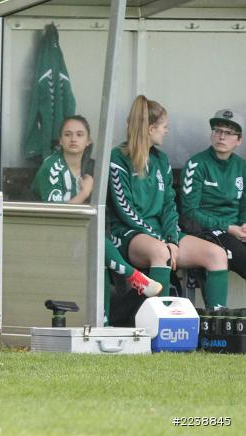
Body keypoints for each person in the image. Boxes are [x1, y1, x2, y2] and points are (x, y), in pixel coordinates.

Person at [31, 115, 162, 324]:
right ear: (60, 140)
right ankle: (132, 276)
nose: (73, 139)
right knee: (96, 243)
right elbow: (57, 213)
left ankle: (104, 322)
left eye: (79, 134)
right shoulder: (52, 166)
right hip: (48, 234)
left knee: (99, 253)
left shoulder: (92, 167)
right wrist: (84, 193)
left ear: (88, 141)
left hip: (81, 237)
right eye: (68, 134)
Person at [108, 95, 228, 310]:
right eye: (164, 126)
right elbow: (124, 209)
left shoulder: (161, 160)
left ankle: (217, 322)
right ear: (150, 129)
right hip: (128, 234)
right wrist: (162, 240)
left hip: (162, 234)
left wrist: (171, 237)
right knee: (160, 252)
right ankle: (159, 323)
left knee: (216, 254)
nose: (167, 131)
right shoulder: (117, 157)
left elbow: (169, 206)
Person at [179, 108, 246, 281]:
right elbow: (190, 211)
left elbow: (244, 205)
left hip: (236, 230)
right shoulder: (197, 164)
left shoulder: (242, 167)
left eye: (228, 133)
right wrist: (228, 227)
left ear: (239, 140)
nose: (222, 137)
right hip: (206, 230)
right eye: (218, 131)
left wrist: (244, 225)